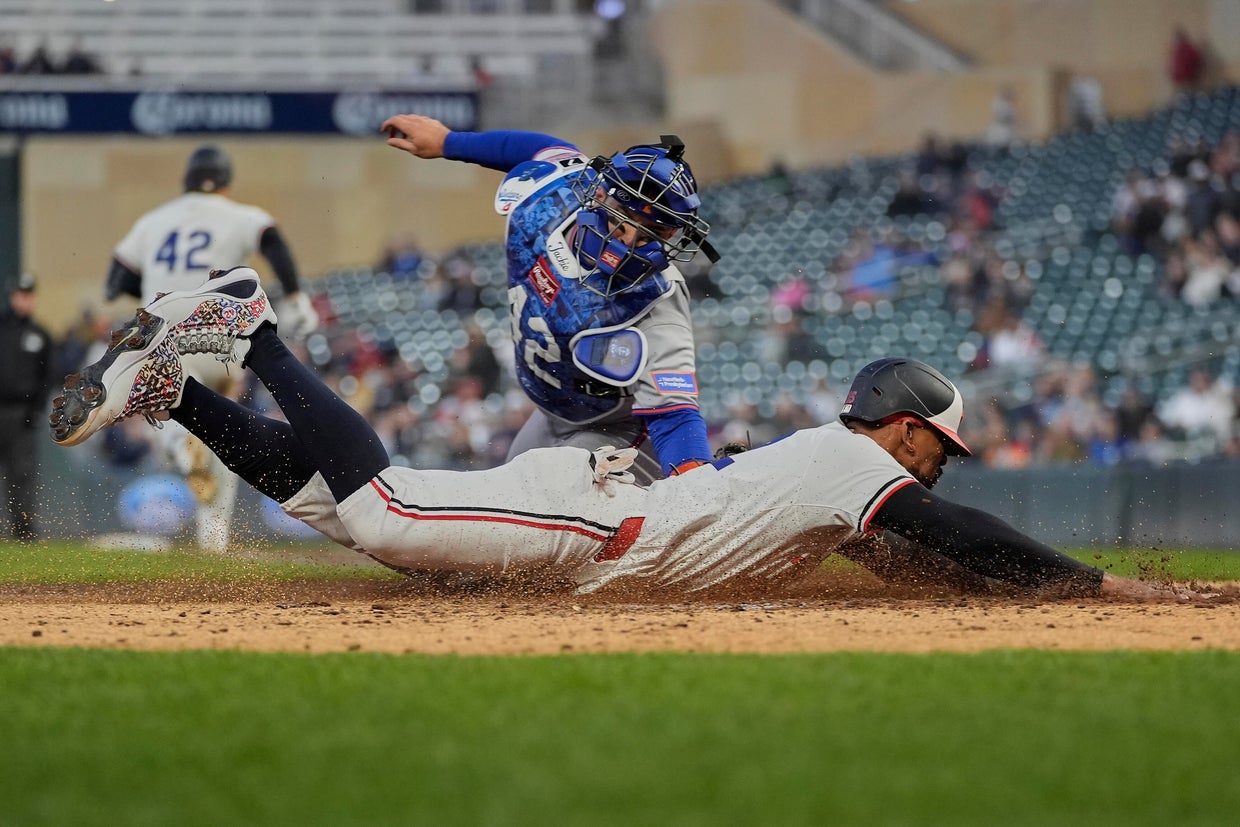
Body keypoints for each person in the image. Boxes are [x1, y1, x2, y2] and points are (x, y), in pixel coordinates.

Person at [48, 270, 1204, 602]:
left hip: (595, 515)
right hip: (590, 519)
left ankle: (175, 396)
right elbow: (955, 527)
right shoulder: (860, 462)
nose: (935, 464)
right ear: (903, 428)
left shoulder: (833, 475)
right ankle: (254, 335)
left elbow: (935, 552)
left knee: (330, 510)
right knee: (385, 509)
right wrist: (1098, 586)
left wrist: (995, 589)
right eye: (934, 445)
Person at [380, 113, 720, 484]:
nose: (638, 247)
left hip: (616, 430)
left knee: (546, 514)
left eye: (657, 235)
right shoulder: (557, 191)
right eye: (634, 226)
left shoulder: (657, 303)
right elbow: (539, 149)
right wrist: (450, 142)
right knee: (507, 510)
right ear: (602, 198)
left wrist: (697, 484)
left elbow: (675, 416)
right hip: (550, 413)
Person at [103, 144, 319, 552]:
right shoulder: (238, 214)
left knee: (169, 420)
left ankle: (179, 449)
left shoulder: (154, 221)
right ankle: (213, 539)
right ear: (226, 183)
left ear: (186, 181)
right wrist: (294, 297)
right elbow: (272, 242)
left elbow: (115, 282)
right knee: (225, 430)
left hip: (163, 337)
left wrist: (157, 279)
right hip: (218, 339)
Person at [0, 273, 57, 540]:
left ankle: (23, 532)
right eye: (21, 295)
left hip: (22, 414)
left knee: (21, 473)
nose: (25, 301)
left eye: (29, 296)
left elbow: (48, 377)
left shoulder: (40, 335)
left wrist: (37, 409)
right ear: (13, 297)